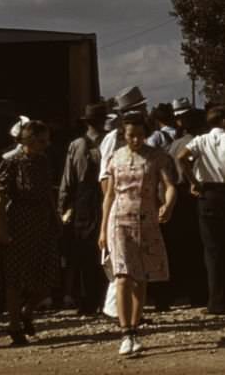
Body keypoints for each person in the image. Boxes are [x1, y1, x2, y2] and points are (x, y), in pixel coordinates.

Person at [99, 112, 177, 357]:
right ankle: (125, 332)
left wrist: (168, 205)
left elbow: (170, 185)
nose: (136, 140)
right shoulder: (115, 158)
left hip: (146, 220)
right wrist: (102, 228)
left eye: (140, 135)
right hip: (119, 220)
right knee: (122, 275)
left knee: (141, 276)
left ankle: (135, 326)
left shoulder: (157, 157)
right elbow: (109, 195)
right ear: (124, 134)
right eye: (131, 135)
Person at [176, 106, 225, 315]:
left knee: (212, 251)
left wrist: (193, 181)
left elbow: (181, 158)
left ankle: (217, 302)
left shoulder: (200, 141)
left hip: (207, 194)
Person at [0, 120, 60, 346]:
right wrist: (2, 229)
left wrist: (55, 216)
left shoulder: (42, 161)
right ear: (29, 141)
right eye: (41, 141)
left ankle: (27, 311)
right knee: (16, 278)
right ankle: (14, 326)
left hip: (42, 223)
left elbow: (48, 191)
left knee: (46, 276)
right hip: (19, 223)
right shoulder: (11, 162)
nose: (46, 145)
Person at [58, 103, 107, 315]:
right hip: (105, 196)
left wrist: (63, 205)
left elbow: (68, 180)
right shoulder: (111, 142)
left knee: (85, 250)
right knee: (105, 249)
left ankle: (89, 299)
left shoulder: (76, 145)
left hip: (83, 199)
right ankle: (105, 299)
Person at [162, 102, 207, 307]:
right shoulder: (197, 144)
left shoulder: (172, 145)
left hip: (175, 195)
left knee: (177, 247)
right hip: (192, 193)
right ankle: (197, 294)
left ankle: (173, 293)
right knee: (196, 246)